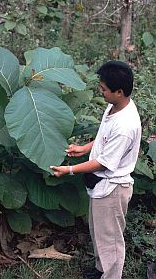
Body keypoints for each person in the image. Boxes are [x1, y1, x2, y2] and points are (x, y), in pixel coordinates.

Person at [50, 61, 141, 279]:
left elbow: (104, 162)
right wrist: (83, 148)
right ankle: (101, 269)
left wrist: (69, 170)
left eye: (104, 89)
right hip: (101, 184)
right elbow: (104, 138)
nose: (101, 92)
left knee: (110, 238)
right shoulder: (115, 107)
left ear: (119, 92)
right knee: (99, 233)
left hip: (113, 188)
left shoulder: (126, 126)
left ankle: (111, 276)